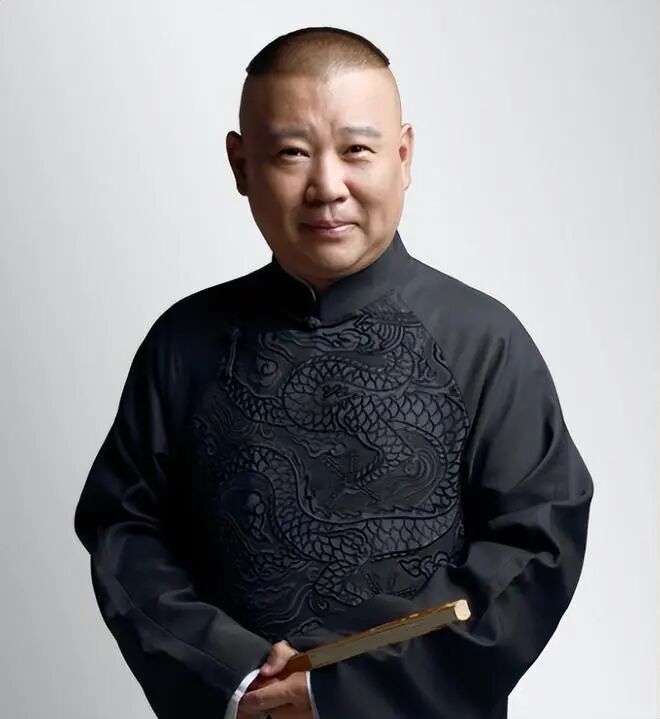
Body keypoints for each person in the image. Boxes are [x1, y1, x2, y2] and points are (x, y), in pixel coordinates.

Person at [73, 25, 594, 719]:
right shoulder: (184, 342)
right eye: (291, 153)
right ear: (240, 165)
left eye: (356, 150)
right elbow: (124, 531)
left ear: (402, 156)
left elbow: (536, 545)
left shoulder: (484, 341)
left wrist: (334, 688)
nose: (326, 187)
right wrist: (234, 676)